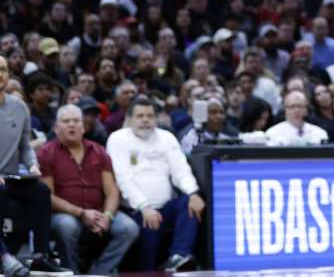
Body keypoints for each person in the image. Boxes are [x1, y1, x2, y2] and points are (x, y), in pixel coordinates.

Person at [106, 96, 206, 272]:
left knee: (188, 203)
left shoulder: (166, 137)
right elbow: (123, 179)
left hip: (165, 207)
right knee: (148, 264)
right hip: (135, 210)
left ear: (156, 118)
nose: (145, 120)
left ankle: (179, 256)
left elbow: (180, 170)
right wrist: (144, 206)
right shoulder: (118, 139)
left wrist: (193, 193)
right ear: (129, 119)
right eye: (140, 116)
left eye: (150, 116)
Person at [38, 105, 141, 275]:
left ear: (83, 127)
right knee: (66, 226)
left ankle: (98, 272)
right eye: (66, 121)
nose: (72, 124)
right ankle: (72, 273)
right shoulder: (46, 153)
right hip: (65, 213)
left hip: (99, 211)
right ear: (56, 128)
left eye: (76, 121)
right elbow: (48, 196)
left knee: (129, 228)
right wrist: (81, 213)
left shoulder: (99, 151)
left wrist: (107, 216)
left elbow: (112, 191)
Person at [0, 57, 71, 277]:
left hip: (11, 176)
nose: (0, 74)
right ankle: (3, 257)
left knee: (41, 191)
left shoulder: (19, 107)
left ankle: (41, 257)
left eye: (3, 69)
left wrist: (32, 164)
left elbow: (25, 145)